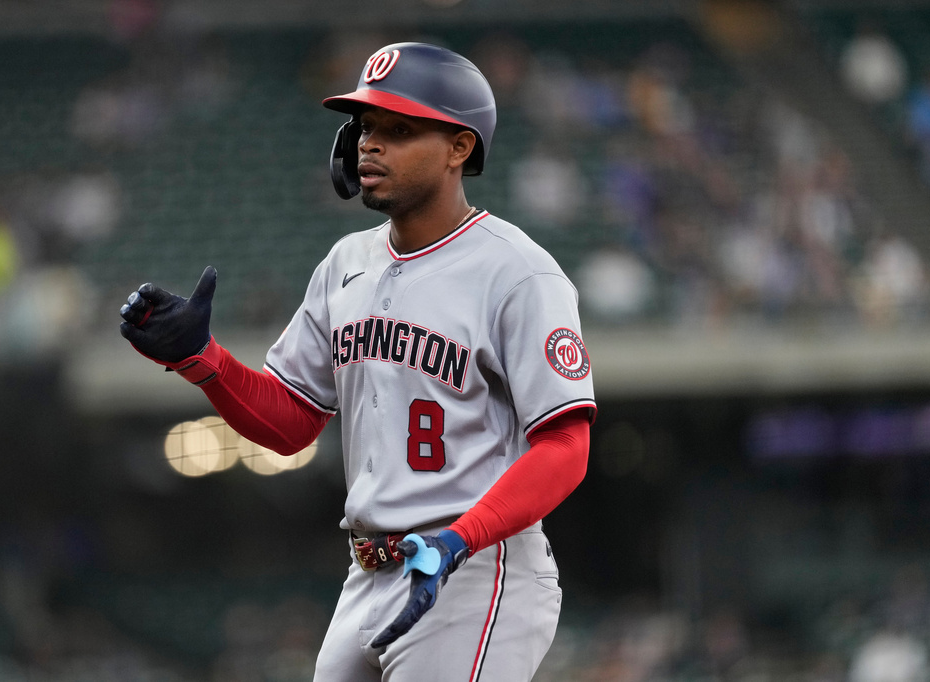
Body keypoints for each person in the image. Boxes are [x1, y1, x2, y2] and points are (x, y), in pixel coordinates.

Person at [119, 42, 596, 681]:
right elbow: (292, 423)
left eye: (399, 130)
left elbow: (566, 444)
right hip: (368, 571)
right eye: (366, 127)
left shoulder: (517, 272)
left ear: (460, 148)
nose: (370, 145)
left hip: (475, 567)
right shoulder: (346, 264)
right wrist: (201, 360)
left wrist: (460, 541)